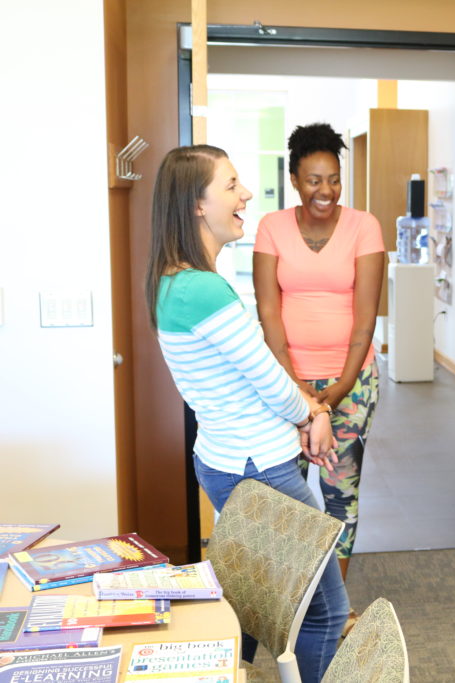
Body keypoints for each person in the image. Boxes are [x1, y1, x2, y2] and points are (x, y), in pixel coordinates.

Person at [146, 144, 348, 683]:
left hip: (229, 459)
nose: (245, 195)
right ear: (196, 204)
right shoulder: (202, 289)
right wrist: (311, 415)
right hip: (260, 467)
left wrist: (305, 411)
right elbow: (268, 381)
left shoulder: (176, 281)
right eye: (232, 184)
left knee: (261, 602)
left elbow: (252, 377)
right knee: (323, 608)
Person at [253, 123, 385, 631]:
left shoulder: (363, 226)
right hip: (285, 382)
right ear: (293, 179)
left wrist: (339, 388)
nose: (325, 190)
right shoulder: (272, 227)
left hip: (350, 381)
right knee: (285, 492)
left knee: (339, 491)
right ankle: (288, 602)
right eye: (313, 179)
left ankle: (335, 607)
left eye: (333, 179)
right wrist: (296, 389)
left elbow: (366, 318)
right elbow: (268, 311)